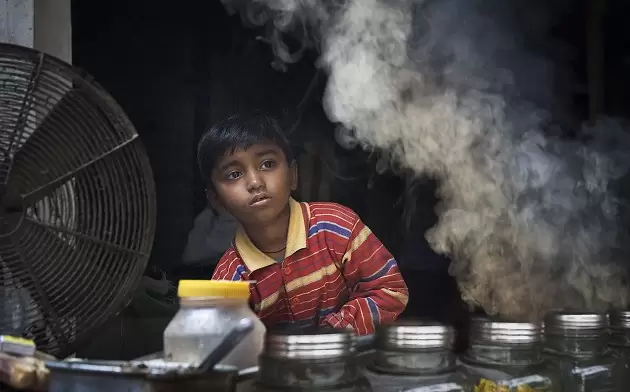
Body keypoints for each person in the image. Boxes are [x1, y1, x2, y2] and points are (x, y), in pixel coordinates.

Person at [197, 112, 408, 335]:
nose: (255, 182)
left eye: (267, 164)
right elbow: (227, 347)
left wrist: (332, 332)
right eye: (234, 174)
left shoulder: (337, 227)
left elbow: (390, 290)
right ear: (217, 201)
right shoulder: (230, 278)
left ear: (293, 175)